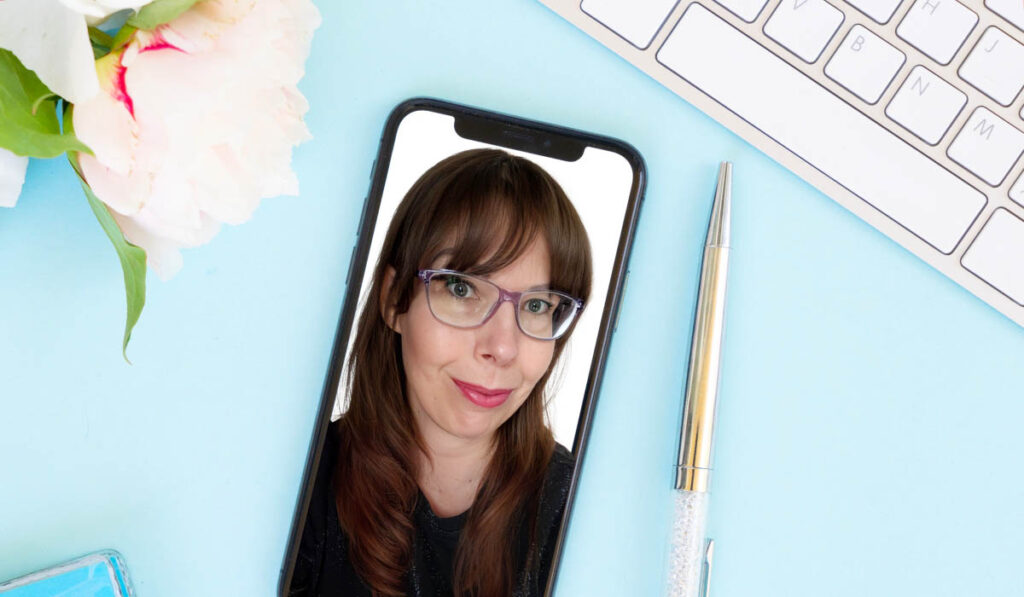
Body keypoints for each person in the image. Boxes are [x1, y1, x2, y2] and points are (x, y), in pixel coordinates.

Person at [290, 148, 593, 597]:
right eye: (462, 288)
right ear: (395, 300)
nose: (502, 348)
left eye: (536, 306)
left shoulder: (582, 508)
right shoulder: (301, 485)